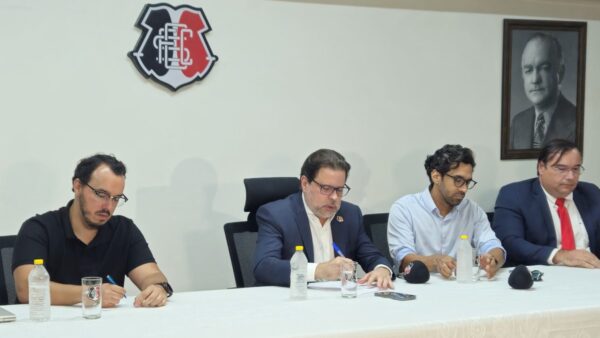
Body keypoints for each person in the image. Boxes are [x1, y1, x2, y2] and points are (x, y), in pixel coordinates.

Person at [12, 154, 173, 307]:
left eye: (116, 198)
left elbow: (151, 275)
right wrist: (91, 293)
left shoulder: (124, 229)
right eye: (101, 194)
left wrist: (157, 288)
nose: (108, 206)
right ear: (77, 186)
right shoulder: (39, 228)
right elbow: (27, 290)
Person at [254, 149, 393, 288]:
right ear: (304, 184)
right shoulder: (276, 215)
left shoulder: (350, 214)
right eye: (326, 188)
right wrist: (319, 271)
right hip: (294, 300)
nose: (334, 197)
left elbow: (373, 256)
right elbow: (264, 266)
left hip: (338, 301)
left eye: (339, 190)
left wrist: (382, 269)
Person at [388, 145, 505, 279]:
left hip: (461, 287)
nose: (464, 189)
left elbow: (493, 245)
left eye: (468, 182)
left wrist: (493, 260)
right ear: (436, 176)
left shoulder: (473, 210)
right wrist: (436, 261)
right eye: (458, 180)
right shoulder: (404, 208)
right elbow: (403, 259)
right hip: (420, 286)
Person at [493, 139, 600, 268]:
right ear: (541, 167)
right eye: (561, 169)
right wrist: (559, 255)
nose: (571, 176)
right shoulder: (515, 195)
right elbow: (509, 242)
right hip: (545, 276)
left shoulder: (591, 192)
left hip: (591, 272)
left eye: (576, 169)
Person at [511, 32, 576, 149]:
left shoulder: (577, 121)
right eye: (528, 70)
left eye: (544, 68)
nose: (535, 79)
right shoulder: (518, 123)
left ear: (560, 73)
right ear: (522, 75)